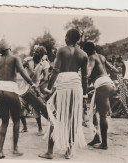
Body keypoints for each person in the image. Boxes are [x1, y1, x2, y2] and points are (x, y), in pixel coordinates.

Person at [39, 29, 88, 159]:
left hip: (63, 85)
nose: (65, 38)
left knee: (55, 116)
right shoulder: (83, 54)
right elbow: (85, 78)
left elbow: (55, 70)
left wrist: (49, 88)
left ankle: (49, 152)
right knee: (72, 118)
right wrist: (85, 95)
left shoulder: (62, 50)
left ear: (68, 37)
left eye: (66, 36)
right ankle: (69, 151)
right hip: (76, 86)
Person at [0, 39, 36, 159]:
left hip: (1, 90)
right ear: (9, 48)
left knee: (4, 121)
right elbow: (22, 72)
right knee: (16, 120)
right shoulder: (15, 58)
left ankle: (0, 151)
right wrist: (32, 84)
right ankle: (15, 148)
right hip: (11, 89)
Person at [82, 42, 119, 150]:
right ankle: (97, 137)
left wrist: (81, 76)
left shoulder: (91, 58)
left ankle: (104, 144)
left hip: (102, 85)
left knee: (102, 115)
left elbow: (87, 74)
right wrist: (118, 72)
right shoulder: (101, 56)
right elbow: (112, 68)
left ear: (87, 51)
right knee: (94, 112)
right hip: (109, 83)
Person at [19, 45, 50, 136]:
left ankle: (40, 128)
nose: (34, 53)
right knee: (20, 106)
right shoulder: (28, 60)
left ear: (41, 55)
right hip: (24, 87)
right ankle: (25, 127)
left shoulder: (45, 63)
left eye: (37, 52)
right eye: (34, 51)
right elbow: (20, 70)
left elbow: (46, 77)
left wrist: (38, 86)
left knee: (36, 108)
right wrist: (24, 64)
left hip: (35, 88)